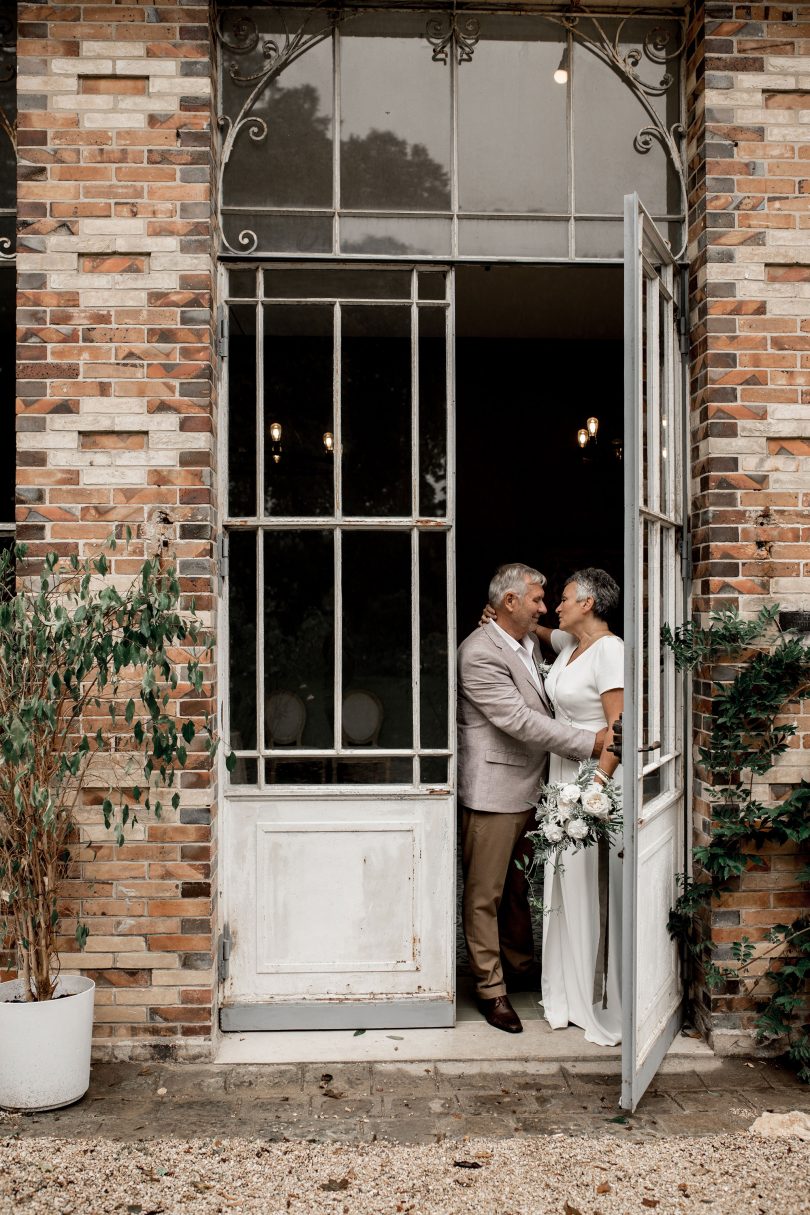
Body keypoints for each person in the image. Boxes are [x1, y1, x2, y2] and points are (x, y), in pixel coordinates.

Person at [457, 563, 607, 1034]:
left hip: (536, 787)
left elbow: (580, 645)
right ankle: (491, 990)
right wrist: (591, 743)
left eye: (549, 600)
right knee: (486, 894)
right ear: (510, 603)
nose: (545, 608)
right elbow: (520, 720)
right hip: (494, 790)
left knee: (520, 889)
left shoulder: (527, 642)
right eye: (538, 600)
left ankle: (521, 969)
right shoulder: (478, 653)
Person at [538, 568, 624, 1046]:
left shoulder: (610, 651)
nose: (556, 606)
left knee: (587, 884)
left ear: (588, 603)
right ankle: (564, 995)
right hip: (559, 776)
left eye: (565, 598)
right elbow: (539, 628)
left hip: (590, 782)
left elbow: (619, 726)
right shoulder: (572, 646)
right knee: (561, 884)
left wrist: (596, 789)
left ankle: (591, 995)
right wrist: (501, 615)